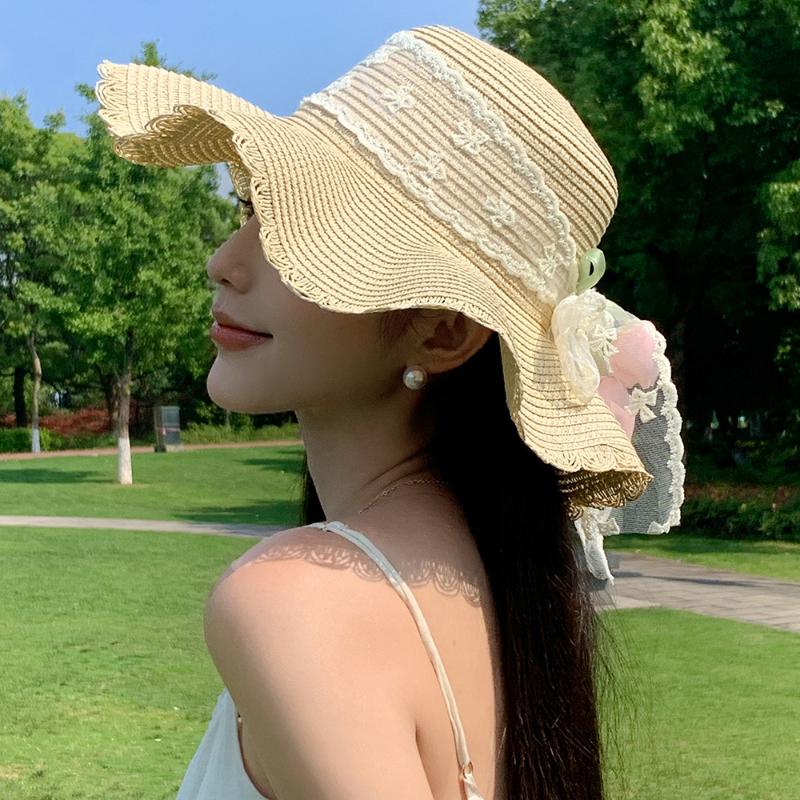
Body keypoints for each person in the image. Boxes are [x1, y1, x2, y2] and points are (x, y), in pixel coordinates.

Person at [95, 23, 684, 800]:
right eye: (250, 208)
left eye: (303, 232)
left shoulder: (298, 604)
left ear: (443, 332)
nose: (225, 262)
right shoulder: (500, 589)